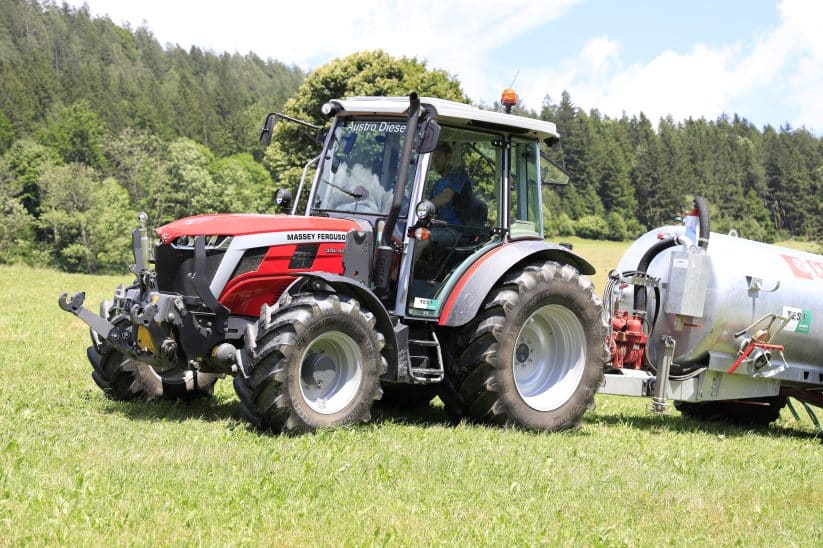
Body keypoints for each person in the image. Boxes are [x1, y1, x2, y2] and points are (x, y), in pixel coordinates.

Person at [428, 142, 471, 226]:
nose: (435, 160)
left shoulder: (459, 174)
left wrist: (423, 207)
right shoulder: (437, 184)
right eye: (433, 157)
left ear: (448, 156)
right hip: (439, 226)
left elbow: (445, 197)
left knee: (422, 238)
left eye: (439, 156)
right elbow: (431, 203)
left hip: (455, 228)